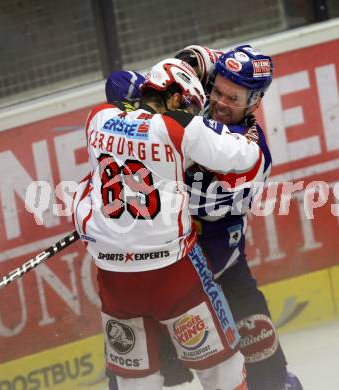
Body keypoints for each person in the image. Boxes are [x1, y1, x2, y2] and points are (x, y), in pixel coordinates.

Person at [73, 58, 264, 389]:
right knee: (225, 370)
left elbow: (116, 90)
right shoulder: (180, 129)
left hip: (114, 278)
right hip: (173, 274)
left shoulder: (98, 120)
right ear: (176, 98)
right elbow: (245, 157)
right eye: (189, 105)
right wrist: (248, 135)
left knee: (136, 382)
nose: (191, 113)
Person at [167, 44, 303, 390]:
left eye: (233, 98)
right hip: (167, 271)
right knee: (137, 375)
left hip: (222, 269)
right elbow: (189, 63)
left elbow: (204, 144)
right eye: (217, 91)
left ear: (254, 103)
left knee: (267, 371)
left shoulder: (250, 150)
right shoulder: (202, 103)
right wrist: (187, 65)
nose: (220, 102)